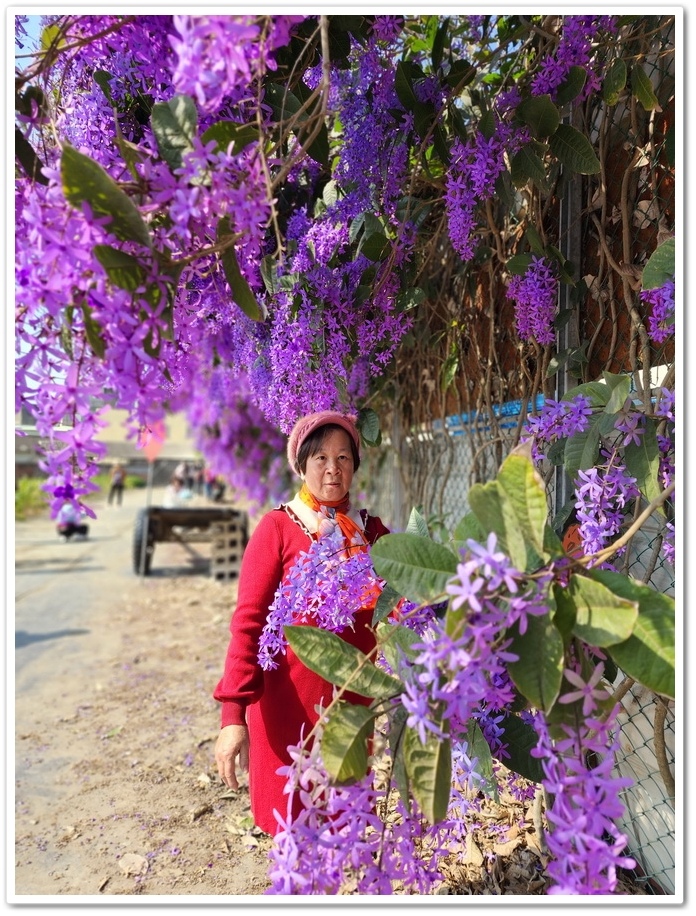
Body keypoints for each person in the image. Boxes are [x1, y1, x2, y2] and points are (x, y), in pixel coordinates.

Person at [213, 411, 390, 836]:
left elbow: (407, 600)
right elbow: (249, 624)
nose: (333, 469)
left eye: (344, 458)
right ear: (302, 465)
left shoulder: (373, 534)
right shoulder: (278, 528)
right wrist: (232, 715)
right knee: (292, 833)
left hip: (349, 714)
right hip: (287, 715)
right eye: (321, 458)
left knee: (342, 832)